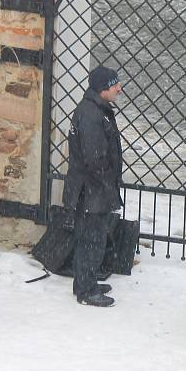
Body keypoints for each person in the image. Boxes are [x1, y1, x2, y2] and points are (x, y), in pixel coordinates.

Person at [62, 65, 124, 308]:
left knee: (93, 236)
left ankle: (86, 281)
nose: (119, 88)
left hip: (93, 188)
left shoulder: (98, 110)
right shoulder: (91, 115)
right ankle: (86, 289)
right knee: (91, 238)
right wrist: (106, 183)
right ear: (102, 89)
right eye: (114, 84)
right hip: (91, 189)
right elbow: (94, 158)